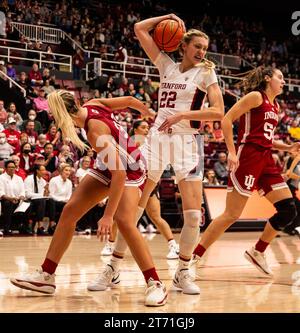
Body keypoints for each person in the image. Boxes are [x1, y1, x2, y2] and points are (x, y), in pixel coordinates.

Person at [10, 90, 167, 307]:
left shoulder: (94, 130)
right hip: (107, 165)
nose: (52, 118)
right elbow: (131, 101)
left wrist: (107, 216)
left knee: (123, 221)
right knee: (69, 211)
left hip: (129, 168)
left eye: (53, 114)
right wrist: (149, 112)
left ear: (62, 113)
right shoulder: (94, 104)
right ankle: (47, 275)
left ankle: (155, 283)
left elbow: (120, 173)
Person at [127, 14, 223, 295]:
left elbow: (218, 111)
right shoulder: (165, 65)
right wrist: (167, 18)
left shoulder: (206, 72)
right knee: (134, 208)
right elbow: (139, 28)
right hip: (157, 139)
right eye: (197, 46)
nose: (202, 52)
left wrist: (183, 114)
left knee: (193, 215)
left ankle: (183, 272)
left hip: (186, 142)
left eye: (205, 48)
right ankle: (114, 267)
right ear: (183, 46)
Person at [191, 66, 300, 277]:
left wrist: (286, 148)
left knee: (288, 209)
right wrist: (231, 152)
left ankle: (257, 251)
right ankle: (193, 257)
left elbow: (266, 139)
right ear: (268, 78)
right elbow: (226, 119)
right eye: (280, 77)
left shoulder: (275, 106)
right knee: (231, 214)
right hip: (248, 157)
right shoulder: (255, 96)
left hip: (266, 159)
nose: (284, 81)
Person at [282, 152, 300, 236]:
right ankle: (288, 228)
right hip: (288, 188)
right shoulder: (290, 160)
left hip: (292, 189)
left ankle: (289, 228)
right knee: (294, 209)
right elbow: (289, 174)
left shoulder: (296, 160)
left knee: (295, 209)